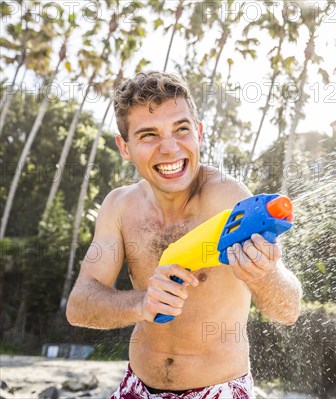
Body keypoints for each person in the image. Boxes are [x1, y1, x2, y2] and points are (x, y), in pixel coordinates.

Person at [66, 71, 303, 398]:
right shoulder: (119, 206)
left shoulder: (228, 198)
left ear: (199, 133)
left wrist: (264, 275)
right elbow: (79, 306)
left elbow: (288, 309)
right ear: (125, 147)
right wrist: (142, 303)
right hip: (136, 386)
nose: (170, 149)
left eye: (181, 129)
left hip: (219, 390)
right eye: (149, 135)